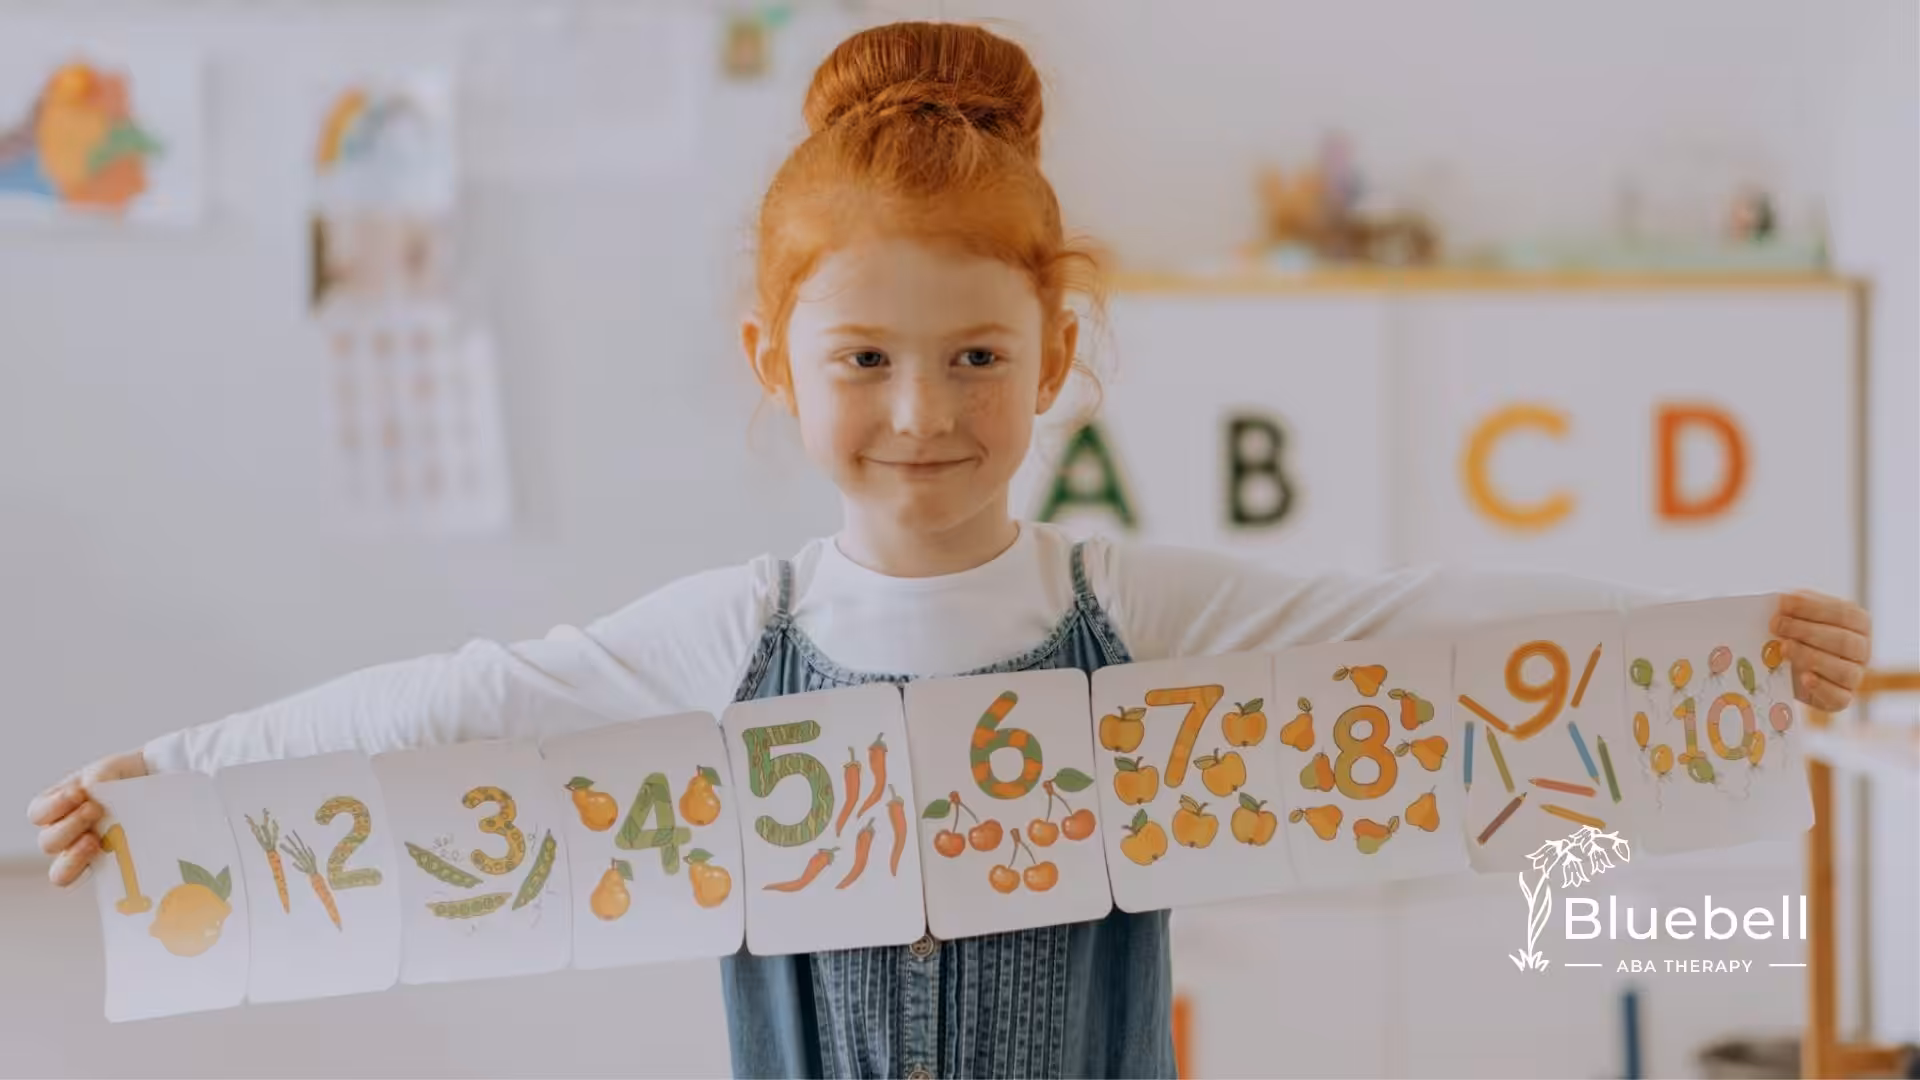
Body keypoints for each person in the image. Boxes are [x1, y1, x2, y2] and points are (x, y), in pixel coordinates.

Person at [26, 22, 1872, 1080]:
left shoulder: (1125, 608)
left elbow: (1405, 623)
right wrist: (174, 781)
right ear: (779, 366)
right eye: (867, 361)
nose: (925, 409)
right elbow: (460, 706)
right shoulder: (731, 638)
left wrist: (1713, 650)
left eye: (978, 354)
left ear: (1055, 356)